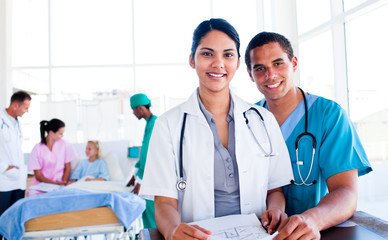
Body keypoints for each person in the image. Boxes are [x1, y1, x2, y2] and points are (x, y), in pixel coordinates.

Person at [139, 18, 294, 240]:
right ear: (192, 60)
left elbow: (275, 191)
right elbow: (164, 203)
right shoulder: (168, 125)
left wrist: (276, 210)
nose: (218, 63)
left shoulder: (263, 119)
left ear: (239, 62)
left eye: (228, 55)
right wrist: (173, 231)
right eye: (207, 54)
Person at [245, 31, 372, 239]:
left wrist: (312, 219)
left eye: (278, 63)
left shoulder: (328, 115)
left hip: (314, 233)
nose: (271, 75)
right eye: (260, 68)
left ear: (293, 63)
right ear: (250, 74)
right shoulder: (246, 121)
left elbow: (346, 193)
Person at [126, 93, 158, 228]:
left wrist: (141, 181)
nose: (133, 114)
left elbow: (149, 156)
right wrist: (135, 175)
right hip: (148, 177)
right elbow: (144, 153)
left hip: (153, 179)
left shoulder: (155, 123)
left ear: (139, 108)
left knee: (152, 214)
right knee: (149, 214)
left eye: (133, 110)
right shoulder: (150, 123)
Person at [0, 91, 31, 217]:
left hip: (18, 179)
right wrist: (4, 167)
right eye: (25, 108)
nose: (27, 111)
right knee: (2, 218)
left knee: (14, 219)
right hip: (4, 178)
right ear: (15, 105)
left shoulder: (16, 123)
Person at [27, 118, 76, 196]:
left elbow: (67, 167)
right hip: (41, 185)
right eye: (60, 133)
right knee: (31, 195)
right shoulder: (37, 149)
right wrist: (55, 183)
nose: (62, 136)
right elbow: (38, 175)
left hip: (60, 184)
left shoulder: (65, 145)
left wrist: (63, 183)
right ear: (51, 133)